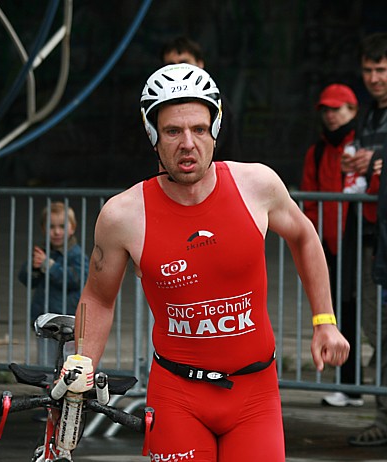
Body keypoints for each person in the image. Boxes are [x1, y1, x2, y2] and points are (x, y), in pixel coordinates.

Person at [74, 63, 350, 460]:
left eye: (199, 129)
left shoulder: (257, 185)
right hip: (176, 396)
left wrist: (325, 321)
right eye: (173, 131)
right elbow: (99, 298)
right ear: (153, 135)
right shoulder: (123, 215)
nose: (188, 143)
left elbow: (304, 236)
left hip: (255, 395)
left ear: (215, 131)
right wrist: (81, 364)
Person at [300, 84, 369, 408]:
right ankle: (348, 386)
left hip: (360, 243)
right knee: (340, 314)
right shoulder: (316, 151)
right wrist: (313, 243)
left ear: (352, 111)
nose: (330, 116)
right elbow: (310, 203)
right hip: (330, 246)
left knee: (362, 316)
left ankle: (352, 386)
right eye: (326, 110)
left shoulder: (364, 147)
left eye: (337, 109)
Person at [348, 31, 387, 447]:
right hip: (371, 234)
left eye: (381, 69)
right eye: (368, 70)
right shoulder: (369, 116)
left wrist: (377, 161)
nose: (374, 78)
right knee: (374, 324)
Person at [17, 202, 89, 366]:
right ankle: (49, 382)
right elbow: (26, 279)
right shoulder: (44, 253)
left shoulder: (76, 255)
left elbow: (77, 279)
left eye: (62, 226)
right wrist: (33, 267)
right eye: (51, 227)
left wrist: (50, 267)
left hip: (68, 322)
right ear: (44, 229)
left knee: (68, 365)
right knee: (46, 364)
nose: (57, 232)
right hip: (46, 322)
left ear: (72, 228)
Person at [161, 36, 242, 161]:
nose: (178, 70)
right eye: (171, 66)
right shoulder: (156, 105)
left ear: (200, 64)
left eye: (184, 64)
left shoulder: (217, 103)